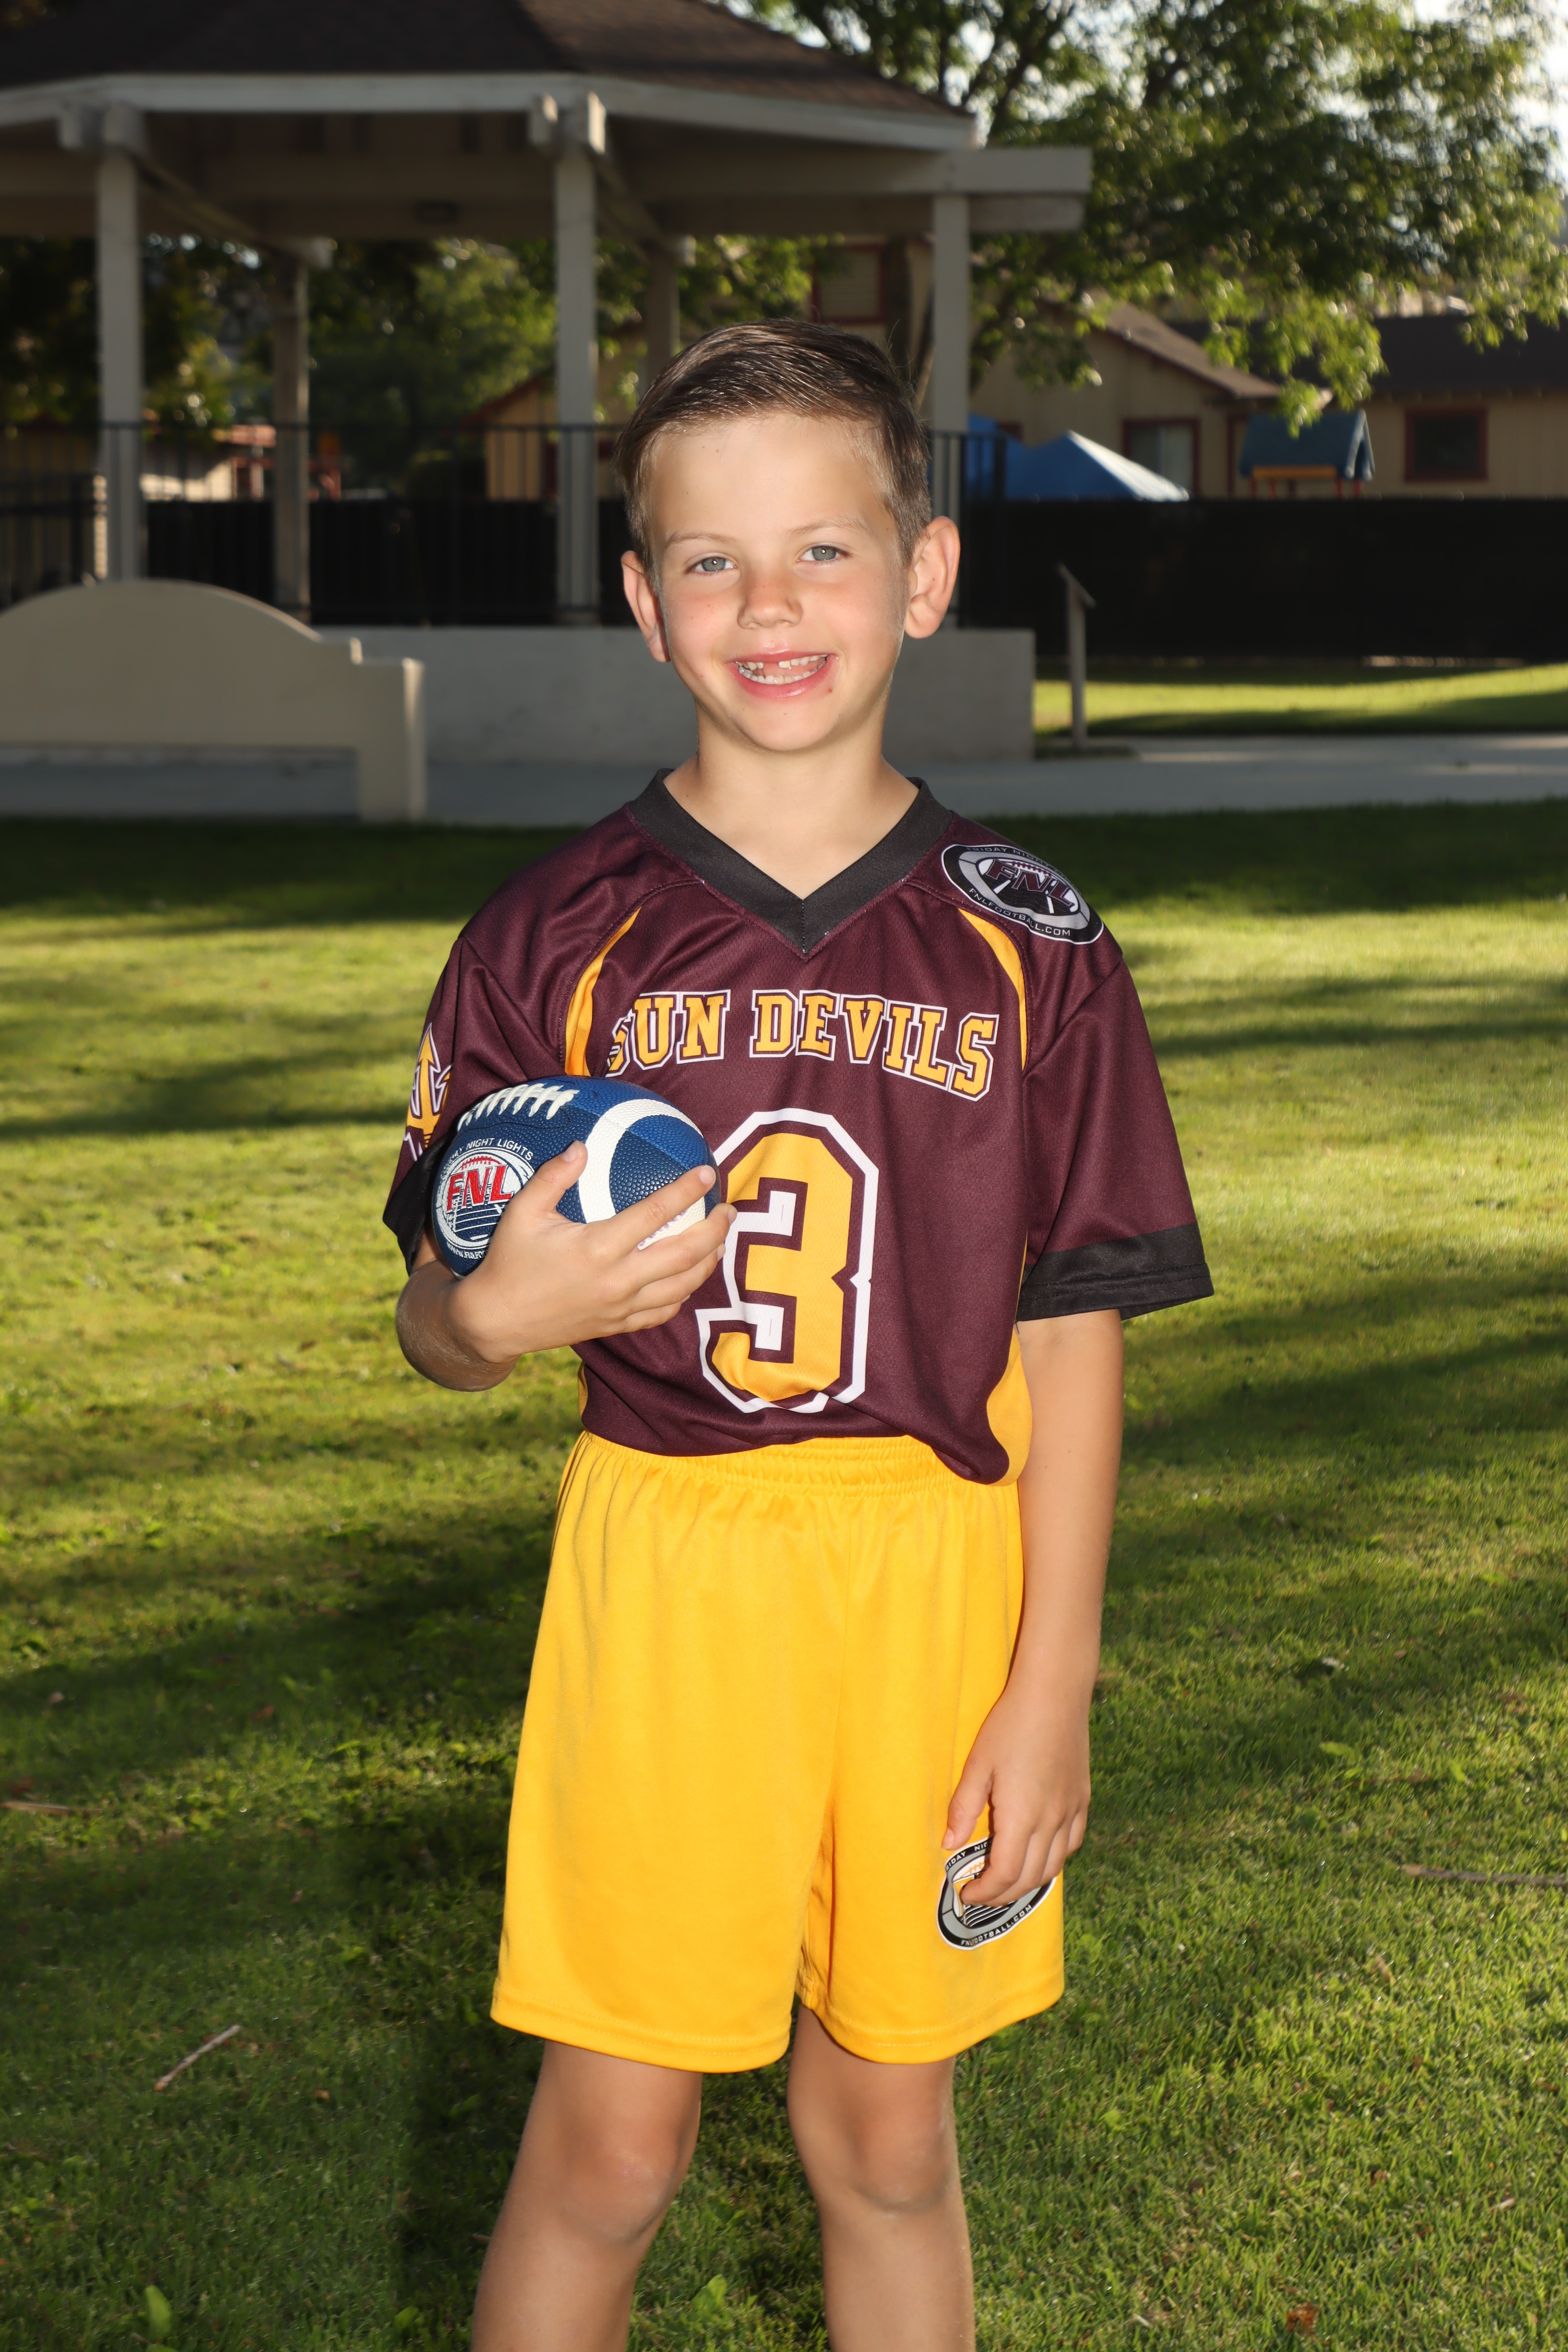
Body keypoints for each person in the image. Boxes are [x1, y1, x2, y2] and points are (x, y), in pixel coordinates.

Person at [387, 319, 1211, 2352]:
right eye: (715, 561)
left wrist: (1053, 1681)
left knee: (890, 2140)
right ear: (642, 597)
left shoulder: (1031, 940)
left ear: (922, 575)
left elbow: (1073, 1336)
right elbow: (435, 1315)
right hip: (667, 1558)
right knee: (609, 2149)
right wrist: (489, 1316)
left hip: (934, 1572)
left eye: (823, 552)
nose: (771, 607)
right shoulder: (550, 933)